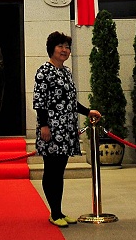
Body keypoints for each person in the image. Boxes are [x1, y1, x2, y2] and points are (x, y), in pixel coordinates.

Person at [32, 31, 100, 228]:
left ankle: (59, 210)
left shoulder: (66, 72)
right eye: (60, 46)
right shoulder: (44, 71)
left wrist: (87, 111)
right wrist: (44, 125)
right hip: (51, 128)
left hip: (67, 128)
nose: (64, 50)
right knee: (51, 170)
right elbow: (39, 101)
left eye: (67, 47)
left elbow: (70, 102)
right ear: (51, 49)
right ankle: (54, 212)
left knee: (59, 170)